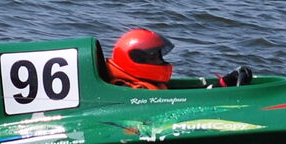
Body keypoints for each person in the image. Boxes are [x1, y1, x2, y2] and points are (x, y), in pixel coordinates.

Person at [106, 28, 256, 89]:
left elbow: (179, 97)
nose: (160, 61)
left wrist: (222, 84)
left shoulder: (146, 84)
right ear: (136, 60)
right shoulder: (128, 90)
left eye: (160, 56)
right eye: (154, 57)